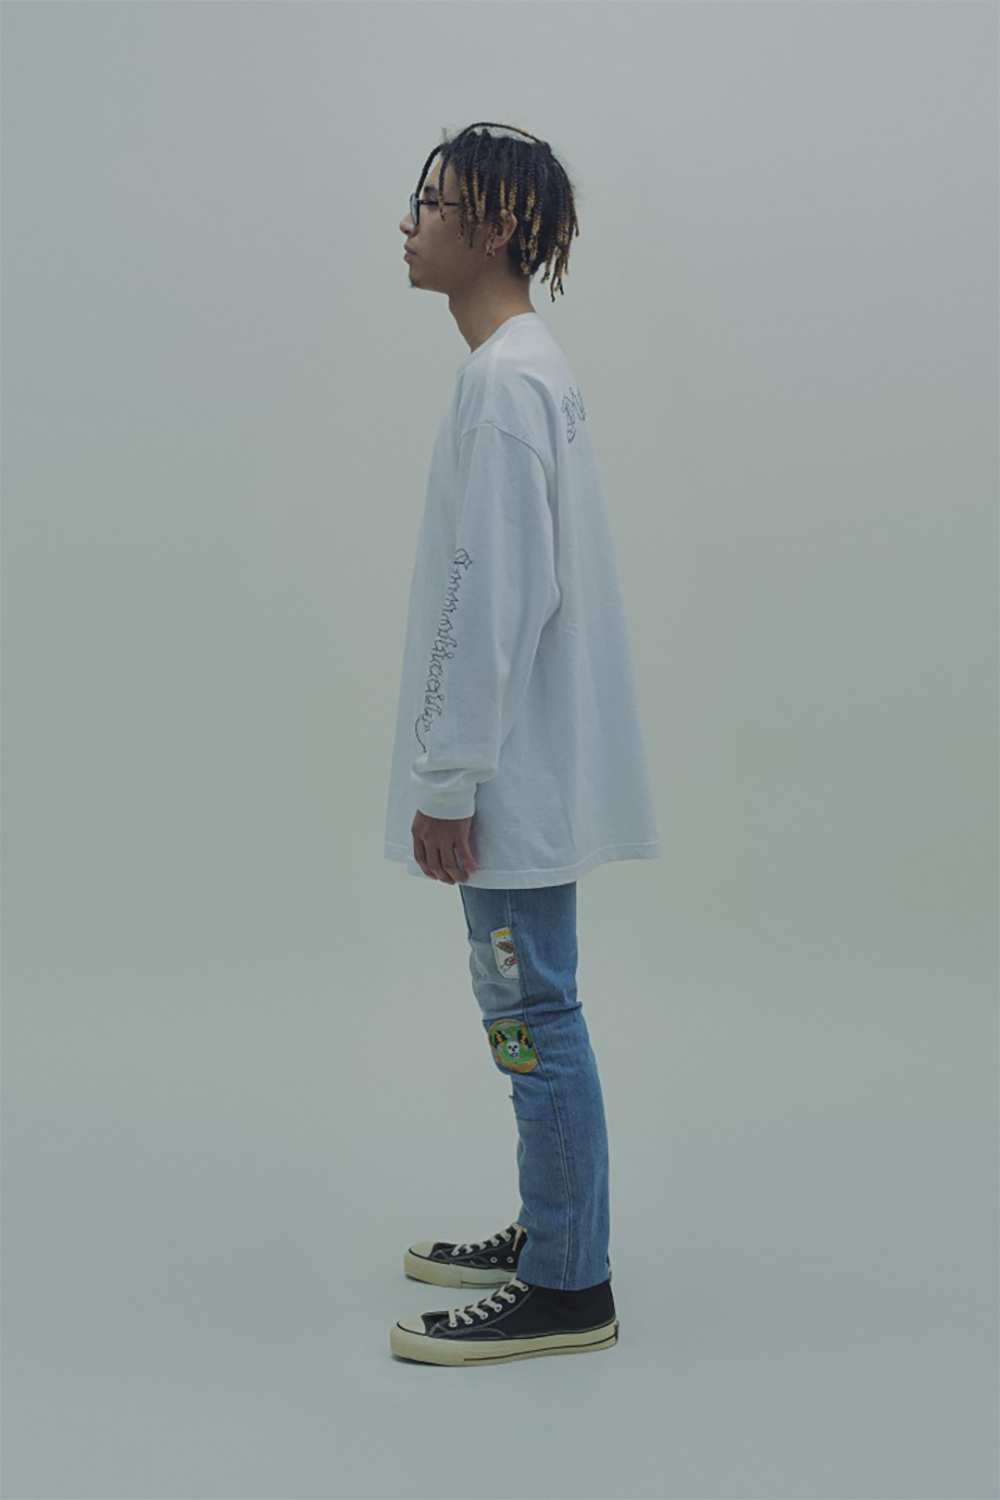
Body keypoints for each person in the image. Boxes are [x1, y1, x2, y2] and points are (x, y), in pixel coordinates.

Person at [383, 122, 661, 1366]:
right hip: (526, 766)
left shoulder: (505, 385)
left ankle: (566, 1284)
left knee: (530, 1011)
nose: (407, 222)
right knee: (532, 1008)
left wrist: (445, 782)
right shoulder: (526, 369)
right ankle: (555, 1228)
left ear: (494, 227)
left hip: (507, 778)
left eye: (432, 201)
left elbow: (491, 600)